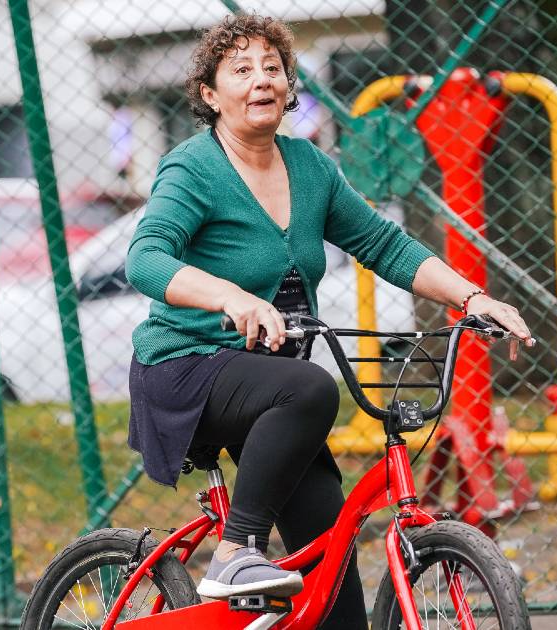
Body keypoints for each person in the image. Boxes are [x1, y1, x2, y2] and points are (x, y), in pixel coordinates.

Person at [124, 14, 534, 628]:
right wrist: (230, 298)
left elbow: (386, 245)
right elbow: (145, 257)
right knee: (313, 388)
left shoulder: (310, 168)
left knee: (335, 587)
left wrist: (473, 299)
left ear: (290, 87)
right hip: (185, 369)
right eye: (241, 70)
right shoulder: (193, 168)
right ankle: (235, 552)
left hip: (271, 388)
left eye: (273, 68)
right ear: (209, 95)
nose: (262, 80)